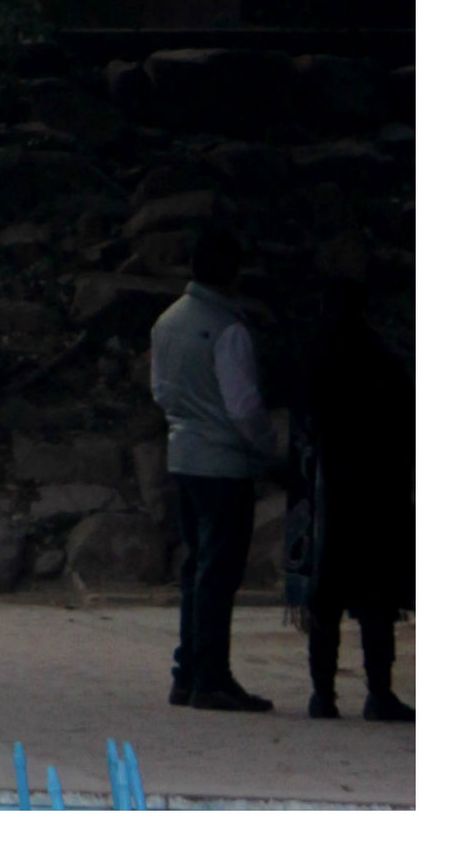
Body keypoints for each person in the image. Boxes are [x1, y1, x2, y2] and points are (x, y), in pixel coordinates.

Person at [150, 224, 279, 710]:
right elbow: (243, 405)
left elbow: (161, 391)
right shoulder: (229, 329)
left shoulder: (167, 322)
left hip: (183, 454)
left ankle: (188, 671)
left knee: (195, 567)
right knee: (219, 573)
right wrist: (267, 449)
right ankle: (213, 676)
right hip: (224, 462)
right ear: (233, 272)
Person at [302, 278, 414, 722]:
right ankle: (378, 691)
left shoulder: (315, 356)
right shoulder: (381, 360)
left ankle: (322, 694)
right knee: (375, 598)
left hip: (329, 490)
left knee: (325, 597)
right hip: (375, 489)